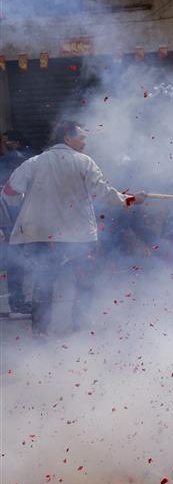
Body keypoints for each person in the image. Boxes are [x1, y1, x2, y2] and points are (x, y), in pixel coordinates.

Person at [2, 121, 146, 336]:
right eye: (82, 137)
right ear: (67, 139)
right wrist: (132, 199)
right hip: (78, 234)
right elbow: (103, 194)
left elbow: (10, 192)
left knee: (45, 281)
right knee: (84, 281)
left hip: (41, 233)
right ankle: (80, 328)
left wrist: (23, 204)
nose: (85, 141)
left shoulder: (33, 162)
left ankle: (40, 332)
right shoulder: (84, 162)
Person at [0, 130, 35, 315]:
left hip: (12, 218)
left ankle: (17, 301)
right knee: (16, 262)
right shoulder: (17, 159)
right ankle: (17, 302)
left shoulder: (14, 159)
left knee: (15, 262)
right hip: (11, 219)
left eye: (7, 141)